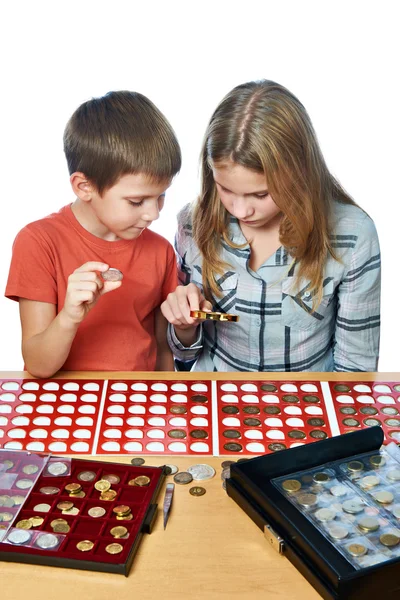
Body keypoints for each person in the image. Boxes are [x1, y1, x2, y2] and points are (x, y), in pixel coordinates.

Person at [161, 80, 381, 372]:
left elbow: (355, 369)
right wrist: (184, 326)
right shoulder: (192, 223)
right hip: (215, 405)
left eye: (261, 194)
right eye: (225, 189)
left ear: (298, 173)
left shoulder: (353, 235)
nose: (241, 210)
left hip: (306, 410)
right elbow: (184, 357)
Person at [5, 91, 181, 377]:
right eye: (137, 202)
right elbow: (38, 365)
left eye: (161, 196)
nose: (153, 214)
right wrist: (70, 316)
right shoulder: (38, 242)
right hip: (62, 409)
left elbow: (163, 350)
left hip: (141, 407)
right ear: (83, 187)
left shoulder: (160, 251)